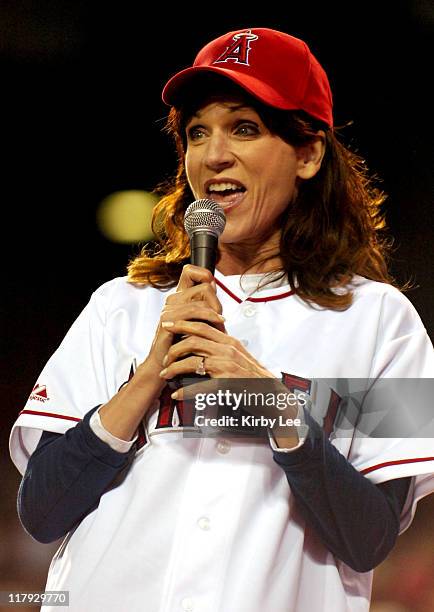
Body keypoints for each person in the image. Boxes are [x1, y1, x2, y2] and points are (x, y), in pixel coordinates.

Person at [9, 27, 434, 612]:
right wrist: (147, 378)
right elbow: (42, 512)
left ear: (308, 153)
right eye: (196, 132)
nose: (213, 155)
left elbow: (370, 540)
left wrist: (271, 402)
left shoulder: (385, 322)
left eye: (245, 127)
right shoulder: (119, 306)